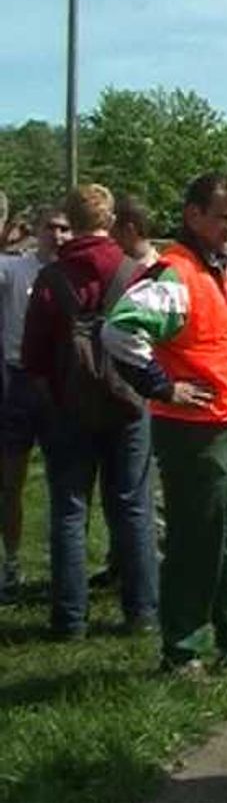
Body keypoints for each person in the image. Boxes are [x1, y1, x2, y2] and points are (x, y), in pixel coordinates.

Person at [102, 173, 227, 676]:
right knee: (194, 541)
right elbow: (119, 331)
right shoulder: (175, 274)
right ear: (193, 215)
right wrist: (161, 386)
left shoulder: (214, 268)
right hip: (193, 430)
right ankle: (181, 650)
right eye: (224, 216)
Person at [22, 184, 157, 639]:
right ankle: (141, 612)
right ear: (110, 219)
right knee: (133, 507)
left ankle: (70, 620)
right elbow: (151, 340)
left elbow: (33, 353)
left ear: (72, 221)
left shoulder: (51, 278)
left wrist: (51, 395)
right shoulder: (132, 273)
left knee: (68, 511)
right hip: (128, 403)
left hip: (67, 406)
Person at [91, 193, 164, 589]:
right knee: (121, 487)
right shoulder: (124, 269)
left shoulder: (155, 272)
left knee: (146, 489)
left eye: (114, 229)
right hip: (119, 389)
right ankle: (122, 560)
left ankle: (153, 566)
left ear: (129, 229)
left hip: (147, 389)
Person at [0, 204, 72, 604]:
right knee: (11, 480)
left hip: (61, 384)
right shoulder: (14, 269)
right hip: (19, 381)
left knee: (66, 482)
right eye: (51, 228)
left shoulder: (74, 273)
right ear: (36, 231)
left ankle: (65, 568)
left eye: (65, 229)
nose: (58, 236)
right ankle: (11, 563)